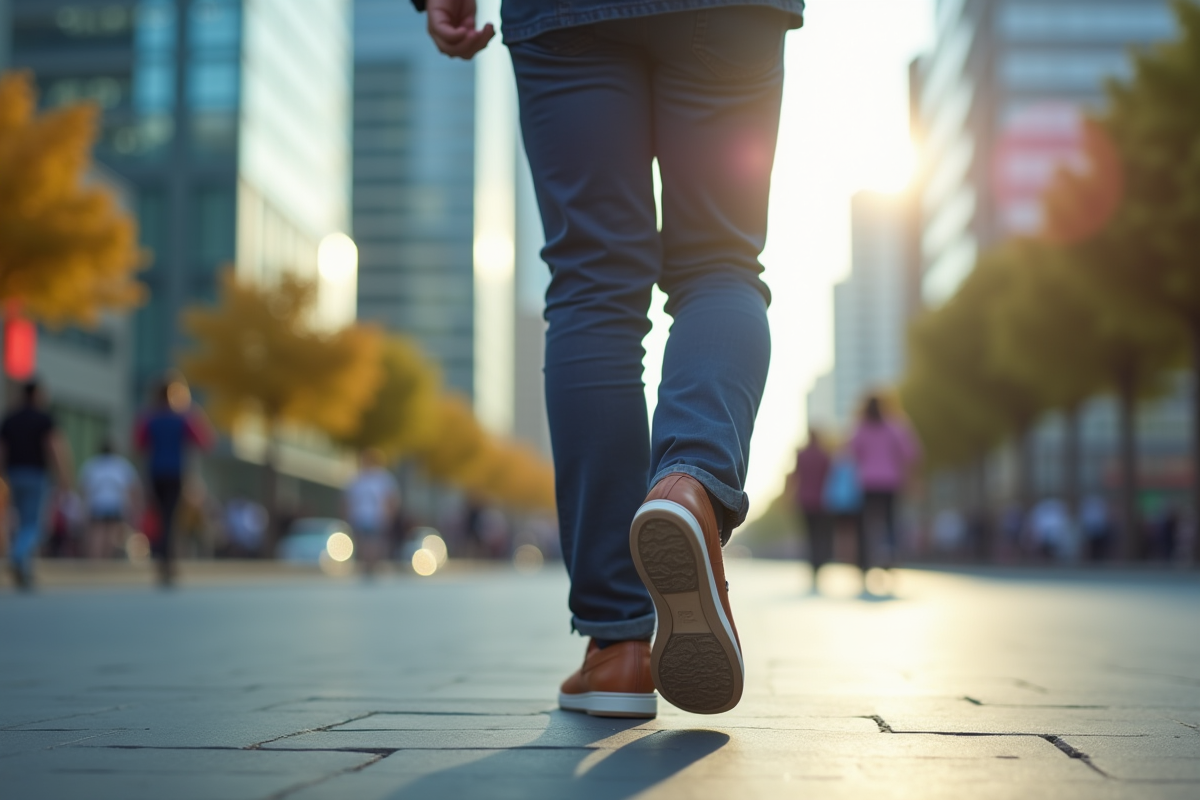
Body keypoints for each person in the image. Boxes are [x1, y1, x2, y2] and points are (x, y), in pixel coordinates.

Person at [417, 0, 805, 718]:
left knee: (594, 287)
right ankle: (690, 480)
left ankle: (617, 645)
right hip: (731, 14)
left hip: (566, 14)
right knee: (720, 263)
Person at [134, 379, 213, 586]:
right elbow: (204, 440)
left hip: (155, 473)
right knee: (170, 518)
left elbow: (139, 443)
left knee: (161, 517)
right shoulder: (183, 418)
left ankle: (162, 561)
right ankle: (168, 563)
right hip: (175, 473)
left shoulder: (149, 418)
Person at [0, 380, 72, 589]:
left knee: (22, 521)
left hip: (14, 474)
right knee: (35, 524)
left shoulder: (10, 418)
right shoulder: (44, 418)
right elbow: (54, 446)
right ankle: (18, 555)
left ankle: (25, 569)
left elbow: (2, 449)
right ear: (37, 395)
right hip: (36, 474)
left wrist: (3, 473)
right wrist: (64, 475)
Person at [849, 395, 920, 570]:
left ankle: (864, 561)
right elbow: (912, 453)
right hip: (890, 481)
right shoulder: (895, 426)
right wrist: (910, 477)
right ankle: (890, 553)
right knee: (890, 519)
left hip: (867, 482)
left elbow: (851, 452)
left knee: (866, 522)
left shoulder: (861, 428)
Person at [78, 441, 142, 559]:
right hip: (115, 502)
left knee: (97, 532)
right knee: (111, 532)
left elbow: (84, 488)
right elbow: (132, 488)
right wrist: (134, 507)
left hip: (97, 502)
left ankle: (95, 559)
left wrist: (84, 506)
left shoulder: (92, 464)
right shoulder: (122, 465)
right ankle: (106, 559)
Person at [342, 449, 400, 576]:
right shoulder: (357, 478)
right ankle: (366, 565)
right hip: (359, 516)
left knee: (374, 542)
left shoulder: (383, 478)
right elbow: (349, 499)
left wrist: (390, 515)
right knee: (363, 542)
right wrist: (348, 515)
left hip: (377, 516)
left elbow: (391, 499)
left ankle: (373, 565)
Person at [794, 429, 832, 583]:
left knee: (810, 535)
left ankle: (813, 565)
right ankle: (819, 563)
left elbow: (796, 476)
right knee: (820, 535)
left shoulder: (801, 455)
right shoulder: (824, 456)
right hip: (822, 501)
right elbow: (830, 477)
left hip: (805, 500)